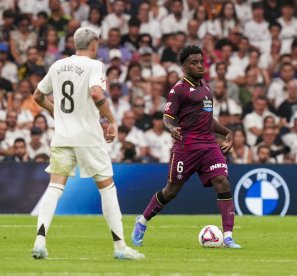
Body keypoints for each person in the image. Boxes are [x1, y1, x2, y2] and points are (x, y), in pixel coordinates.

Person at [31, 27, 144, 260]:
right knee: (107, 188)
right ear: (94, 44)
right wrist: (112, 119)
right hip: (88, 138)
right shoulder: (94, 65)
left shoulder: (57, 66)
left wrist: (57, 114)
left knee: (54, 187)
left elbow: (37, 96)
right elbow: (95, 92)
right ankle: (120, 247)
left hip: (62, 136)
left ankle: (39, 242)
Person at [131, 45, 241, 249]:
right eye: (194, 63)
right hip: (187, 146)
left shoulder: (206, 88)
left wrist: (226, 131)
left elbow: (207, 119)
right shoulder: (179, 89)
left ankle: (228, 237)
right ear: (184, 66)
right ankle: (142, 221)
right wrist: (172, 128)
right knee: (171, 191)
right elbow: (167, 116)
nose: (200, 66)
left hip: (209, 145)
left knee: (222, 182)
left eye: (201, 62)